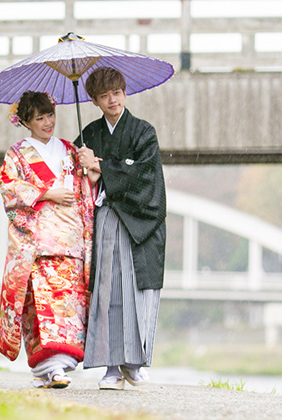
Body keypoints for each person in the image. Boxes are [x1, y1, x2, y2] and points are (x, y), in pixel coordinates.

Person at [0, 91, 94, 389]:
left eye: (50, 114)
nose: (48, 122)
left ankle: (59, 368)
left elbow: (83, 189)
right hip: (39, 245)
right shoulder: (18, 154)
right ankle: (51, 368)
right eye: (40, 118)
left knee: (69, 306)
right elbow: (8, 186)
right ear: (25, 121)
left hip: (70, 240)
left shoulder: (70, 150)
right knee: (43, 307)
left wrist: (90, 169)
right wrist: (47, 193)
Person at [76, 67, 167, 391]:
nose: (112, 100)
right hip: (106, 221)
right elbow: (76, 181)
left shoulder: (143, 132)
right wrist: (84, 169)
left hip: (137, 225)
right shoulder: (89, 135)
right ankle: (112, 367)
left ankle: (135, 363)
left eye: (116, 92)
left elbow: (146, 176)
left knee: (136, 292)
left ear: (125, 93)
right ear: (95, 100)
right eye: (104, 95)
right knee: (108, 292)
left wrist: (102, 167)